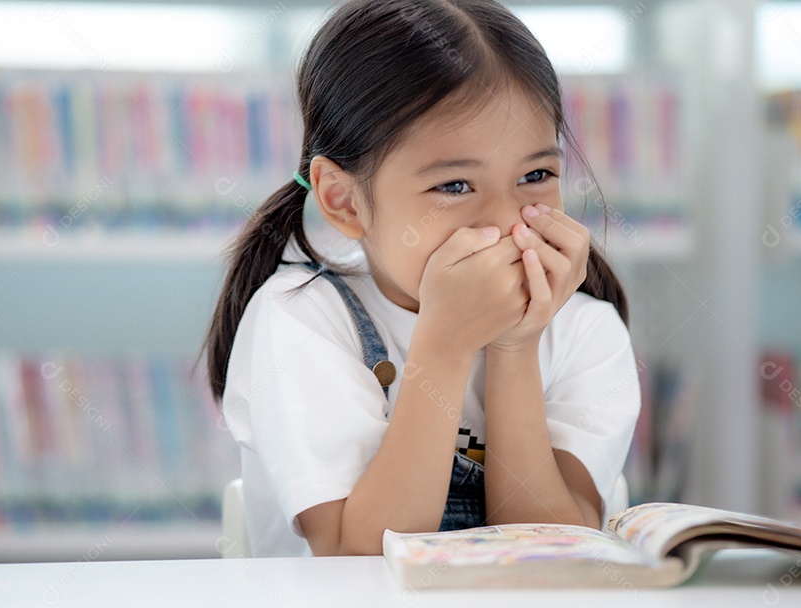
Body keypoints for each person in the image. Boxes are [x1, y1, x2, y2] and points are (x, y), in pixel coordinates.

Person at [204, 0, 640, 558]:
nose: (506, 222)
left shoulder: (586, 331)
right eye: (454, 186)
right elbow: (356, 559)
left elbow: (554, 555)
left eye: (535, 175)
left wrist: (514, 346)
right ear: (344, 201)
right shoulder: (300, 319)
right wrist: (446, 343)